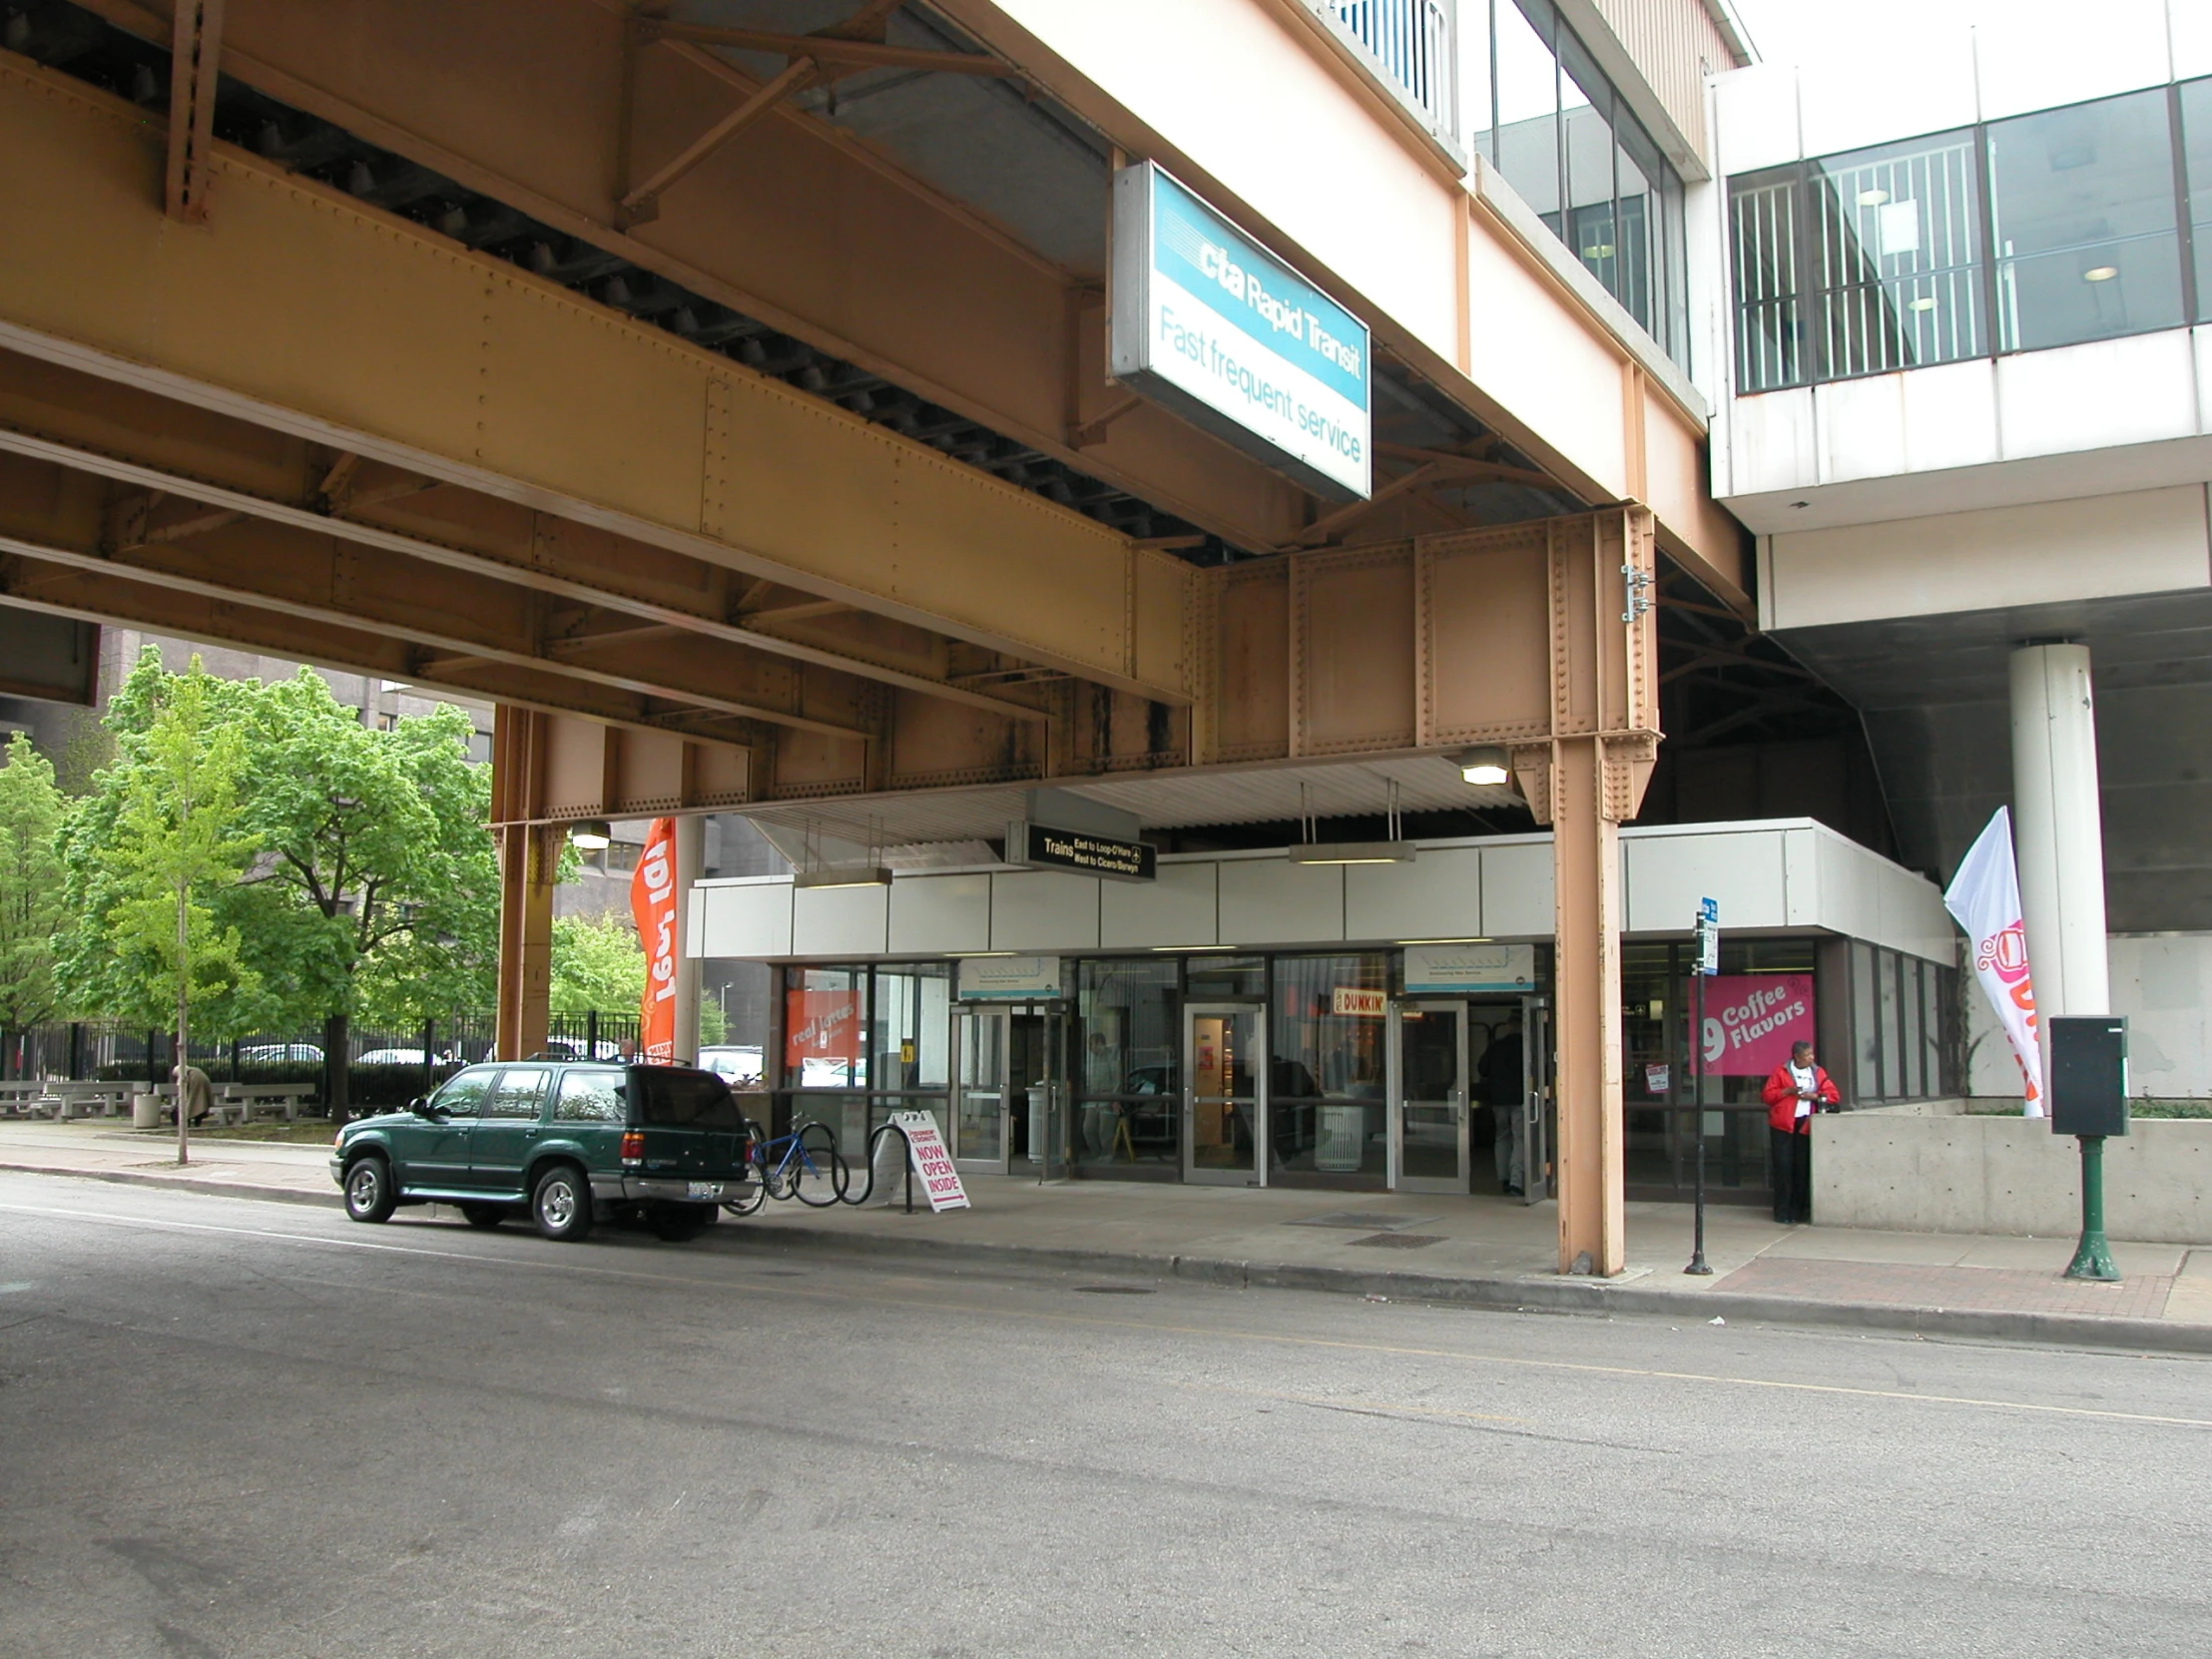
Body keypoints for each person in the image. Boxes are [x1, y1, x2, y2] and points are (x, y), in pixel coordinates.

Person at [1762, 1039, 1841, 1225]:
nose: (1811, 1058)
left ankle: (1799, 1211)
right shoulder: (1781, 1072)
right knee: (1783, 1168)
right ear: (1796, 1057)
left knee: (1801, 1167)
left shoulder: (1817, 1073)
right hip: (1783, 1125)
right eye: (1807, 1055)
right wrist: (1786, 1092)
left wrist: (1814, 1096)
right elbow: (1767, 1096)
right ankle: (1782, 1212)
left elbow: (1833, 1095)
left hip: (1805, 1124)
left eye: (1812, 1054)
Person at [1477, 1014, 1526, 1196]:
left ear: (1508, 1026)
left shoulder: (1496, 1046)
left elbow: (1482, 1068)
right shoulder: (1528, 1046)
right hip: (1521, 1098)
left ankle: (1503, 1178)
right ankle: (1516, 1181)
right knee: (1520, 1139)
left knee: (1502, 1138)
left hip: (1498, 1100)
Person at [1082, 1031, 1123, 1161]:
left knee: (1105, 1132)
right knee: (1088, 1129)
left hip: (1107, 1096)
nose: (1089, 1047)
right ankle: (1096, 1155)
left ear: (1100, 1044)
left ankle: (1106, 1157)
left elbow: (1117, 1078)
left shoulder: (1110, 1057)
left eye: (1091, 1044)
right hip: (1092, 1097)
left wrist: (1115, 1099)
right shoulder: (1090, 1059)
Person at [173, 1062, 214, 1128]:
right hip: (203, 1081)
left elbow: (182, 1088)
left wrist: (178, 1101)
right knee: (200, 1102)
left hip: (195, 1081)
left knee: (191, 1103)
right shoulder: (194, 1070)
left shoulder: (182, 1072)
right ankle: (197, 1122)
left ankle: (186, 1122)